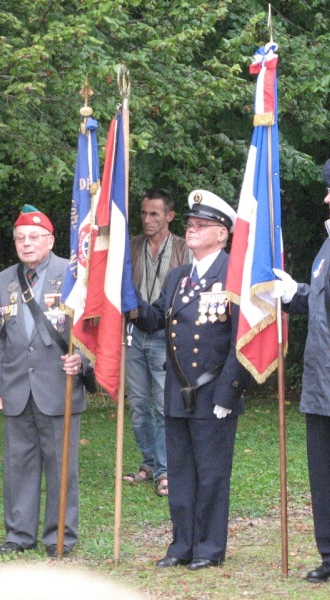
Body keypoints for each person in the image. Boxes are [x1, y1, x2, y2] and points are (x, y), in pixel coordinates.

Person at [135, 190, 252, 570]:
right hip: (177, 391)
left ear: (223, 234)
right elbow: (154, 319)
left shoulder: (234, 274)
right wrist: (126, 301)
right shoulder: (178, 276)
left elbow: (242, 339)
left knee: (212, 473)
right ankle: (181, 543)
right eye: (190, 224)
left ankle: (208, 547)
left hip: (214, 390)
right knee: (181, 472)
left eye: (202, 225)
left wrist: (229, 392)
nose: (192, 229)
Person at [272, 152, 330, 587]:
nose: (327, 199)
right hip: (320, 380)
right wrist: (295, 293)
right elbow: (327, 303)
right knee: (325, 473)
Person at [0, 205, 92, 557]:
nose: (27, 244)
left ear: (50, 240)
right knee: (18, 467)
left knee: (62, 469)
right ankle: (18, 535)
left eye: (34, 237)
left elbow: (92, 331)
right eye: (20, 238)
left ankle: (59, 538)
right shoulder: (4, 280)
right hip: (16, 387)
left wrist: (84, 361)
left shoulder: (74, 273)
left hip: (58, 385)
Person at [124, 190, 190, 498]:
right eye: (143, 214)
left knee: (165, 406)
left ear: (170, 217)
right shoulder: (132, 247)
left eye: (154, 214)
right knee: (138, 405)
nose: (147, 220)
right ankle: (149, 464)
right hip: (134, 332)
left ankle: (166, 470)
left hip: (167, 335)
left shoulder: (183, 248)